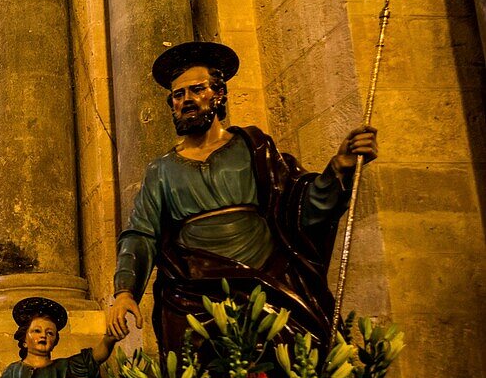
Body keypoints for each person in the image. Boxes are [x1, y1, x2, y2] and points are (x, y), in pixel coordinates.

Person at [106, 41, 378, 354]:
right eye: (178, 95)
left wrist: (338, 169)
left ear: (219, 94)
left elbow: (301, 208)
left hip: (268, 281)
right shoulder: (161, 169)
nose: (187, 101)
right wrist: (125, 291)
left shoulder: (254, 148)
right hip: (194, 295)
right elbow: (141, 234)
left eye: (197, 89)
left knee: (299, 368)